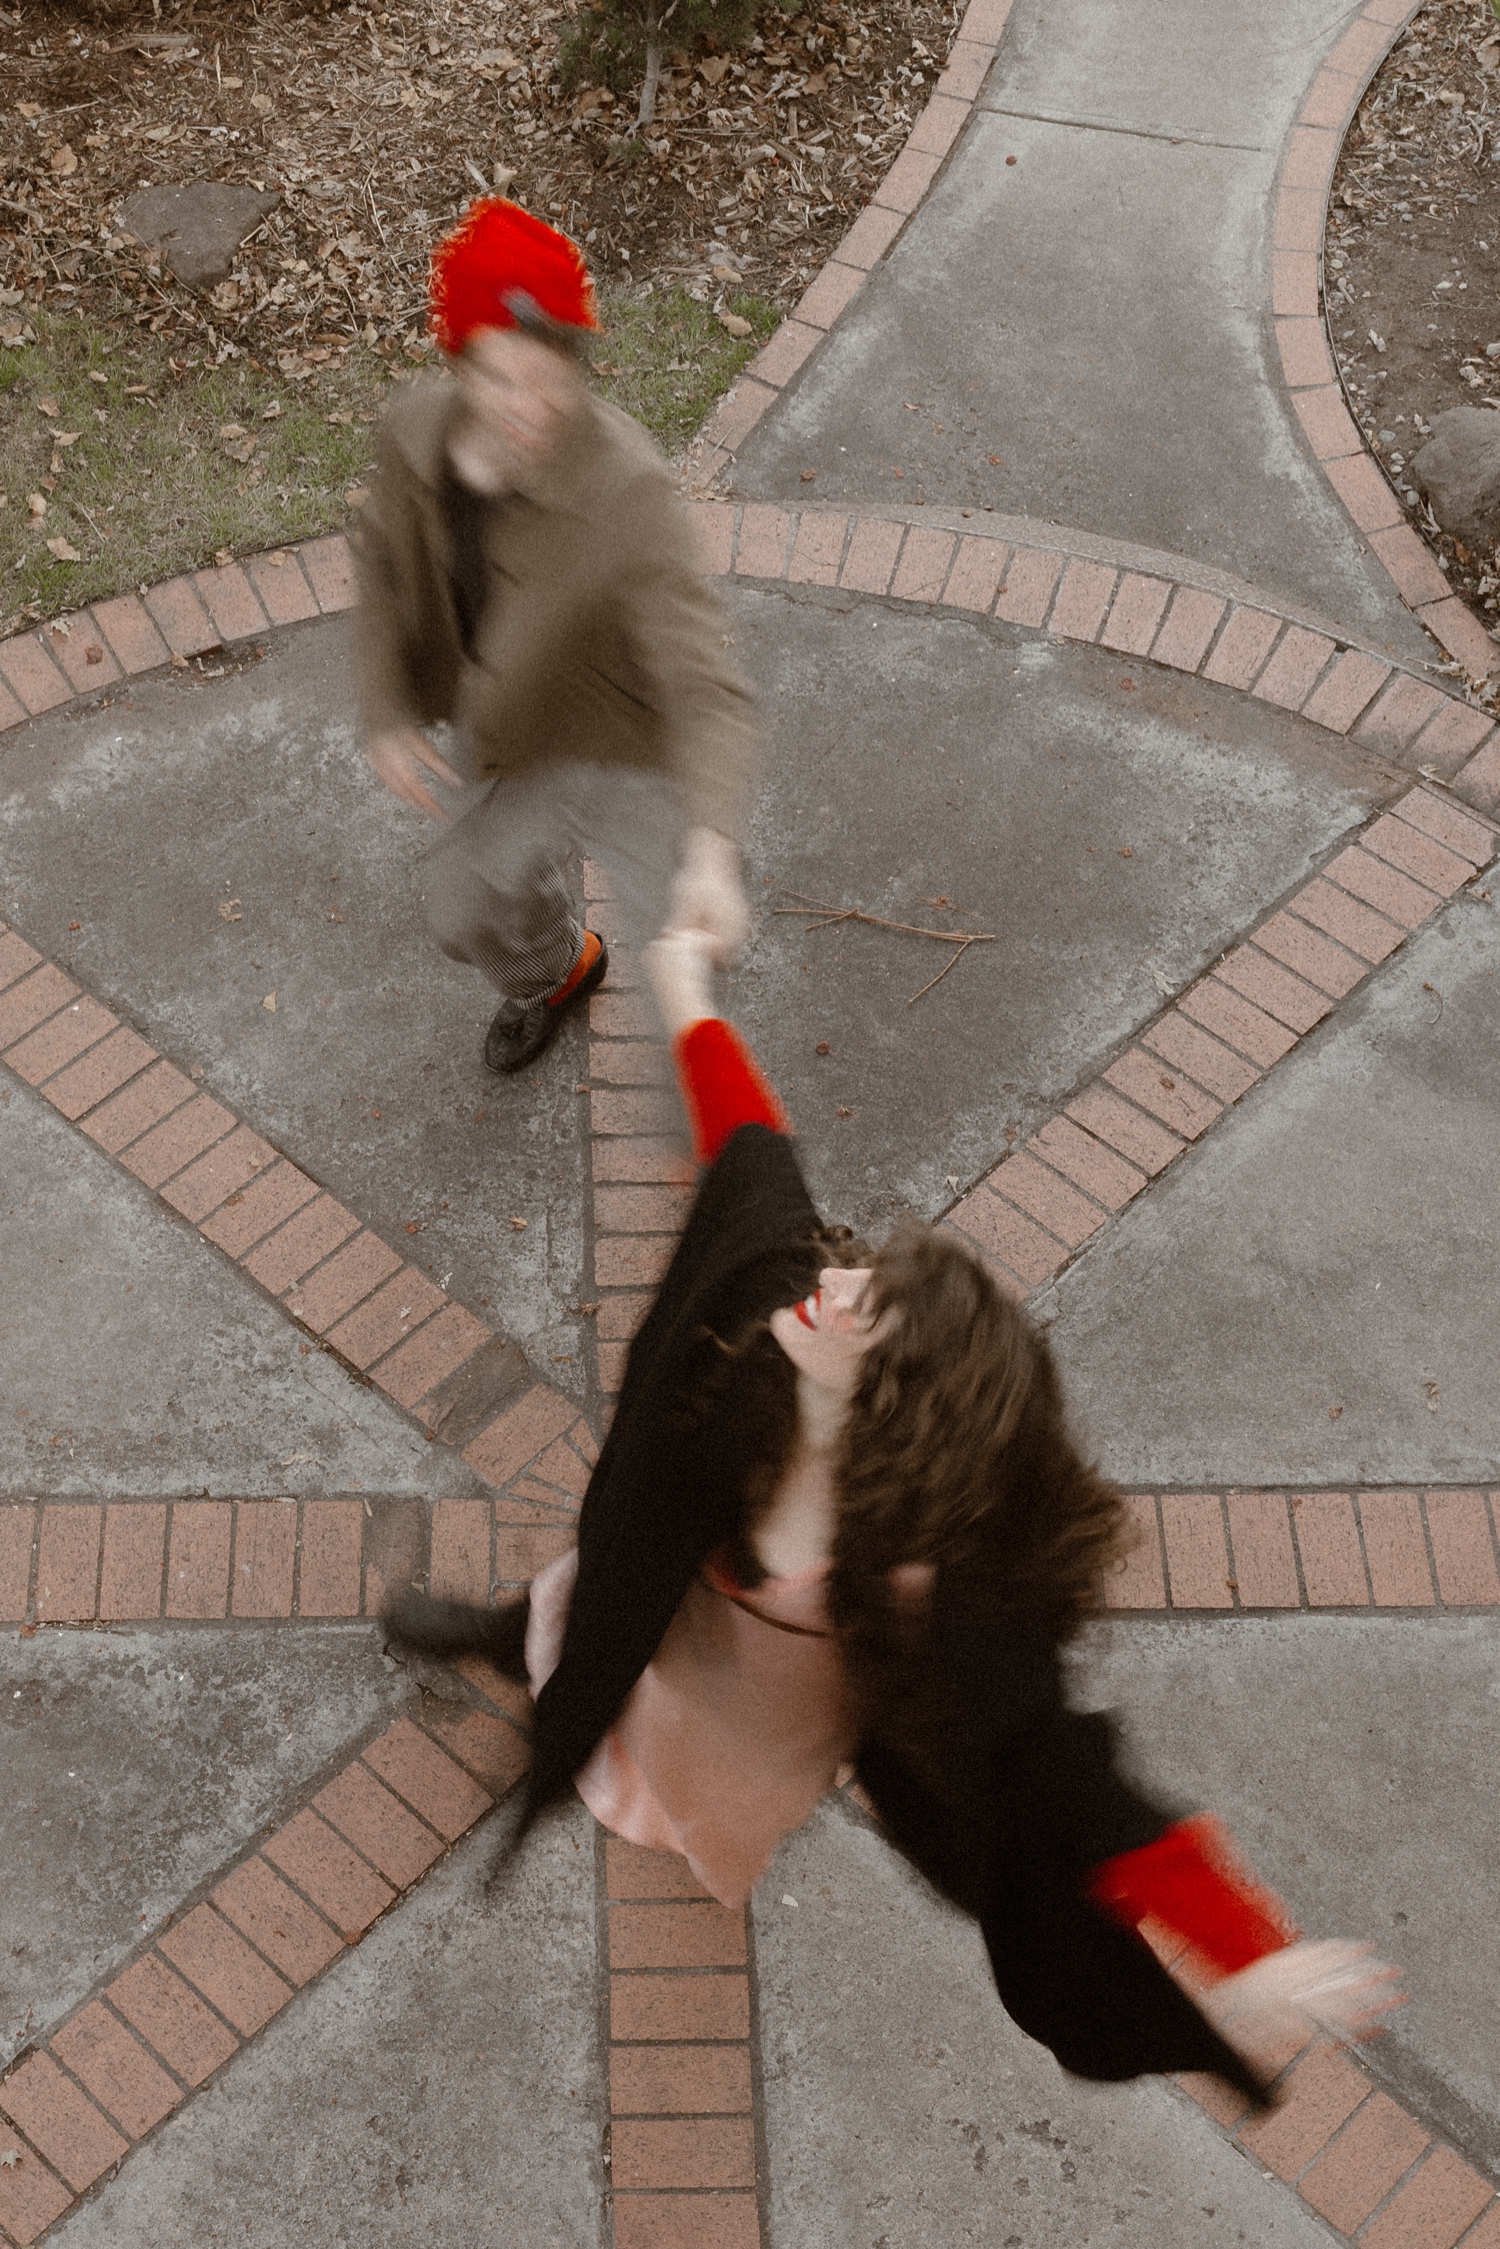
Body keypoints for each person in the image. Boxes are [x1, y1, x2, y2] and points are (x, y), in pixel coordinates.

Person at [387, 930, 1403, 2101]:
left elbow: (1079, 1795)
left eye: (866, 1308)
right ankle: (511, 1637)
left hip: (754, 1715)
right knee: (594, 1609)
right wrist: (683, 987)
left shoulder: (948, 1598)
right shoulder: (790, 1313)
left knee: (651, 1730)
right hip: (658, 1582)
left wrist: (1251, 1957)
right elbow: (754, 1159)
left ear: (892, 1428)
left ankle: (557, 1678)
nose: (839, 1279)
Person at [354, 200, 757, 1073]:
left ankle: (721, 1160)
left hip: (628, 748)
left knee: (684, 989)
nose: (531, 406)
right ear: (459, 363)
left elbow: (706, 686)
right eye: (501, 377)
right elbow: (383, 559)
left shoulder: (626, 488)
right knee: (461, 913)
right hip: (509, 732)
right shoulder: (411, 436)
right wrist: (385, 705)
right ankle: (559, 969)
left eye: (551, 376)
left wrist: (714, 851)